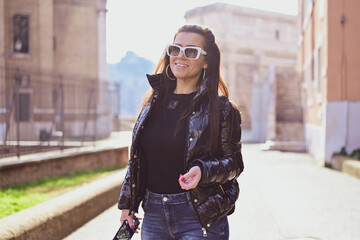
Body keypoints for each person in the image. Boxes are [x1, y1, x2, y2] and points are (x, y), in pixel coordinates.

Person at [117, 24, 244, 240]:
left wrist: (203, 171)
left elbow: (234, 163)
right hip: (154, 216)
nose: (180, 56)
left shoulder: (222, 110)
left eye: (191, 51)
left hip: (200, 216)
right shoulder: (152, 104)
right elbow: (137, 160)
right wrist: (127, 205)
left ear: (206, 61)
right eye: (175, 49)